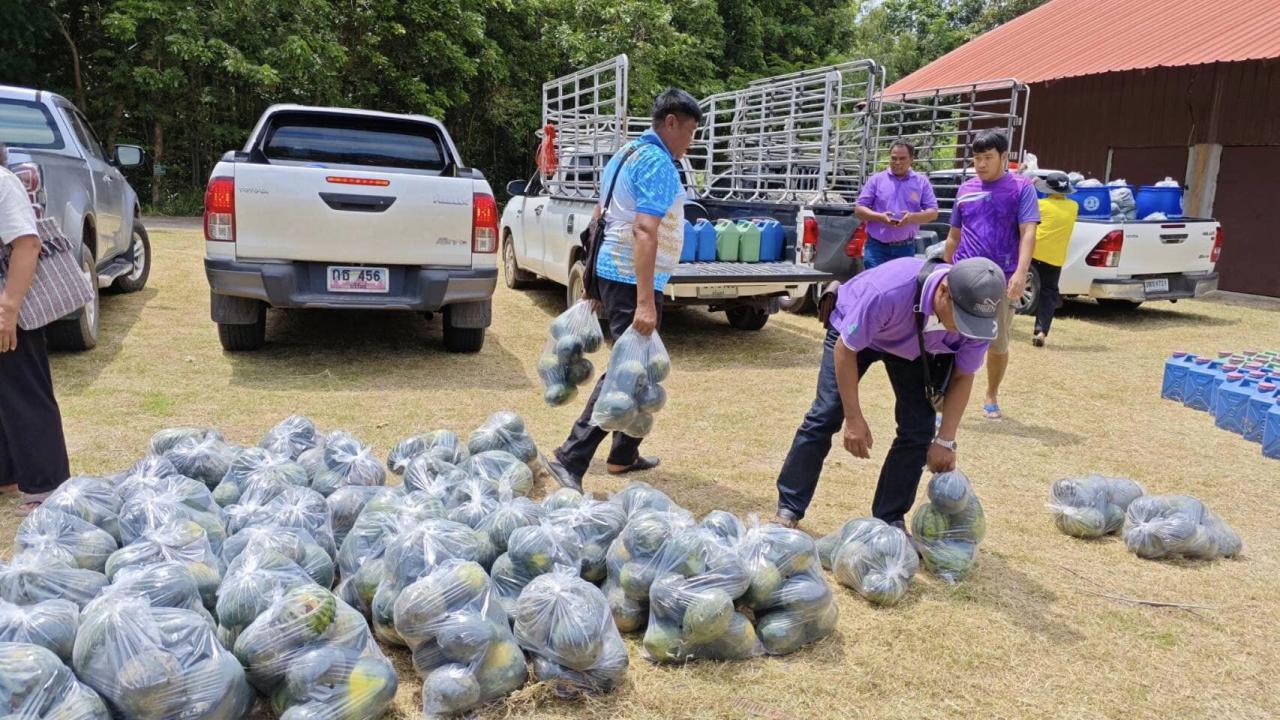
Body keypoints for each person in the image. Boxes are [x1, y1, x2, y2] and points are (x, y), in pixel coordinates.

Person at [772, 255, 1007, 530]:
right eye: (962, 319)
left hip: (916, 346)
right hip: (858, 334)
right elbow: (846, 349)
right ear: (943, 292)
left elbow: (963, 375)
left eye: (974, 322)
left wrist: (946, 440)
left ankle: (889, 519)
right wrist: (854, 418)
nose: (967, 330)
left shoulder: (978, 322)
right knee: (825, 415)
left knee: (918, 429)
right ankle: (789, 507)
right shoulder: (889, 292)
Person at [546, 89, 702, 492]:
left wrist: (595, 284)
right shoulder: (657, 163)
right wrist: (647, 302)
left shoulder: (626, 154)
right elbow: (643, 229)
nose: (691, 140)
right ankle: (570, 457)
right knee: (627, 370)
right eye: (689, 131)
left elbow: (601, 216)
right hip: (633, 279)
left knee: (642, 365)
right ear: (670, 122)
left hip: (614, 272)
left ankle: (623, 455)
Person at [943, 130, 1039, 421]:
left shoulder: (1021, 188)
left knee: (997, 342)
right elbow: (953, 236)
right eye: (977, 158)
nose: (981, 164)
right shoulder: (966, 189)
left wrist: (1021, 273)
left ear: (1004, 158)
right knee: (949, 337)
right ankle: (942, 398)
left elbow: (1029, 232)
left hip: (1000, 278)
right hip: (962, 275)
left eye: (988, 158)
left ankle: (991, 394)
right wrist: (944, 268)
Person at [0, 144, 72, 515]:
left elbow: (27, 244)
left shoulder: (2, 183)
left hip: (10, 308)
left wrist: (8, 308)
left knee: (25, 392)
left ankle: (47, 488)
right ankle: (7, 475)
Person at [854, 139, 939, 269]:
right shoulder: (877, 180)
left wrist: (911, 217)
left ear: (912, 159)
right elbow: (859, 210)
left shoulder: (921, 182)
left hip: (905, 249)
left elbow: (933, 213)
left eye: (902, 158)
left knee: (899, 288)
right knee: (874, 285)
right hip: (876, 249)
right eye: (894, 158)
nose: (897, 162)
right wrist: (880, 217)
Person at [1029, 172, 1078, 347]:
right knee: (1048, 294)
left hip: (1033, 253)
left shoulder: (1040, 205)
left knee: (1016, 285)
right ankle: (1041, 331)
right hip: (1055, 258)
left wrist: (1032, 185)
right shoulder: (1074, 207)